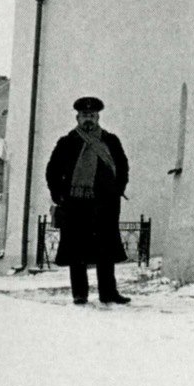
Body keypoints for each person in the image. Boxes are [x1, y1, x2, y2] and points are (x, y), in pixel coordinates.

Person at [45, 96, 130, 305]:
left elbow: (122, 167)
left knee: (106, 251)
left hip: (104, 205)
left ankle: (108, 293)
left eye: (92, 115)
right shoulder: (67, 143)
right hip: (75, 205)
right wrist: (59, 196)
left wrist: (116, 190)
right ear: (77, 117)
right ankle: (79, 294)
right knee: (77, 251)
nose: (88, 119)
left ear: (98, 117)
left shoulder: (110, 141)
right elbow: (52, 170)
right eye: (84, 116)